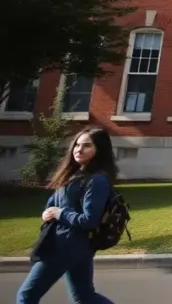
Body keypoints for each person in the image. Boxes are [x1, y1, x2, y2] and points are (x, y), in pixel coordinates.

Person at [17, 126, 117, 304]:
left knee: (27, 295)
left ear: (99, 150)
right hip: (71, 244)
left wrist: (60, 213)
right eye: (77, 144)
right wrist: (48, 213)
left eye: (87, 145)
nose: (79, 149)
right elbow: (54, 203)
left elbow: (89, 220)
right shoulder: (74, 174)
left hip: (66, 245)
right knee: (84, 297)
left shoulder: (97, 180)